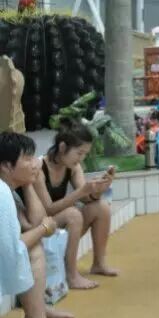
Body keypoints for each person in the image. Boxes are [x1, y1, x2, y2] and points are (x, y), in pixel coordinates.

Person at [1, 132, 80, 318]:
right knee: (32, 250)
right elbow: (14, 247)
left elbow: (32, 224)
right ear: (6, 166)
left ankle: (37, 314)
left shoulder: (9, 190)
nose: (35, 163)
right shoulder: (1, 193)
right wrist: (44, 228)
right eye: (27, 159)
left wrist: (29, 183)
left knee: (33, 243)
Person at [33, 118, 117, 290]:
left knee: (101, 207)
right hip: (41, 226)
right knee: (73, 214)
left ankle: (99, 263)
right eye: (79, 153)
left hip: (58, 225)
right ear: (62, 147)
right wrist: (81, 192)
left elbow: (86, 197)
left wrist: (98, 189)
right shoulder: (39, 168)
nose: (81, 158)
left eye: (85, 154)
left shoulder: (73, 167)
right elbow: (48, 209)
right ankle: (72, 275)